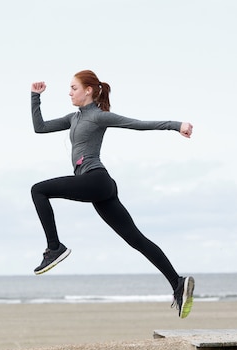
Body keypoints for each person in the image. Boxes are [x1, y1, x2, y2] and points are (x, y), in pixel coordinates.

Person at [30, 70, 195, 318]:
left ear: (88, 90)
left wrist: (175, 126)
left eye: (74, 88)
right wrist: (35, 96)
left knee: (38, 190)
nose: (69, 92)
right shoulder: (73, 118)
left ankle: (54, 248)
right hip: (100, 188)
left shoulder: (98, 117)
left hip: (96, 180)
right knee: (135, 239)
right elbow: (40, 128)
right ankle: (177, 283)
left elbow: (137, 124)